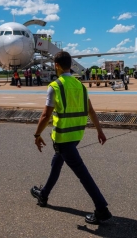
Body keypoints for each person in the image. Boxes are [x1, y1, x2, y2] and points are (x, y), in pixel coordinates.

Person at [30, 51, 112, 225]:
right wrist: (99, 130)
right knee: (56, 163)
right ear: (71, 65)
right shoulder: (80, 85)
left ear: (57, 65)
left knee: (82, 173)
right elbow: (91, 110)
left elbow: (46, 115)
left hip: (63, 137)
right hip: (76, 136)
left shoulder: (55, 86)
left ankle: (102, 208)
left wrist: (37, 135)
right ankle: (43, 195)